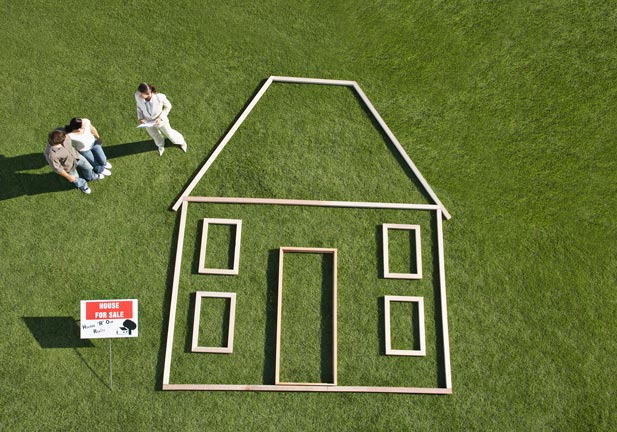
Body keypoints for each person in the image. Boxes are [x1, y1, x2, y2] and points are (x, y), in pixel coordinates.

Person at [44, 128, 104, 194]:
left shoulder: (62, 134)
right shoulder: (51, 154)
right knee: (76, 179)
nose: (67, 136)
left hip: (77, 156)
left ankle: (91, 176)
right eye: (65, 136)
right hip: (68, 167)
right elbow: (57, 168)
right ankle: (83, 185)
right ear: (60, 142)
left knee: (89, 168)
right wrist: (68, 176)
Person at [134, 82, 187, 156]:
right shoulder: (137, 95)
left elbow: (168, 106)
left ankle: (181, 142)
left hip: (161, 121)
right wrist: (140, 118)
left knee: (169, 134)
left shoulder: (160, 97)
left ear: (148, 93)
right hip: (148, 122)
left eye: (141, 93)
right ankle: (160, 145)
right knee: (155, 135)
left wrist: (160, 118)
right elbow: (139, 107)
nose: (139, 95)